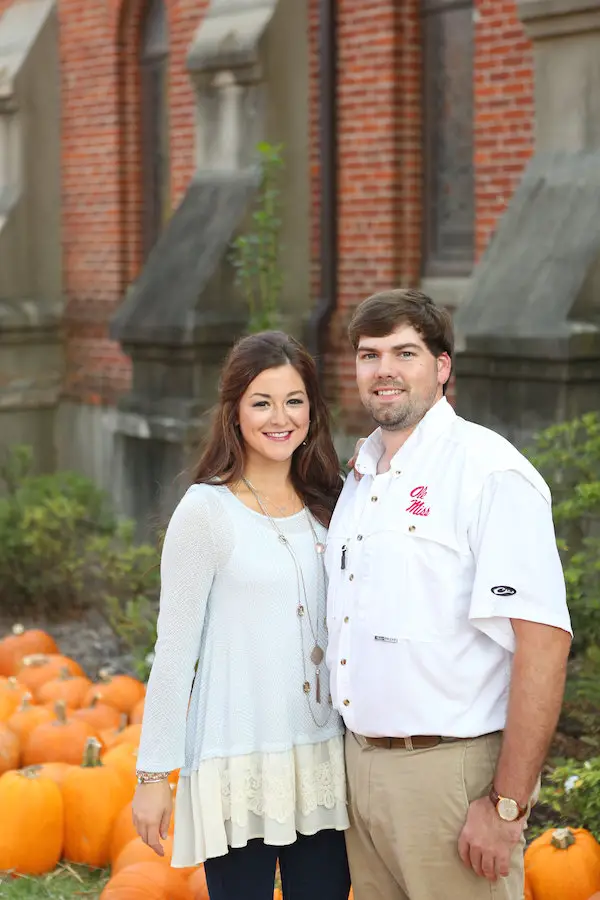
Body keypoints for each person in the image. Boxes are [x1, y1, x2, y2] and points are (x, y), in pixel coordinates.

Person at [325, 289, 572, 900]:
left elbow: (542, 643)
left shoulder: (489, 472)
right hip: (360, 772)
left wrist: (507, 806)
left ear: (442, 367)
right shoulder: (359, 477)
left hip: (450, 779)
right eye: (369, 354)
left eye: (405, 352)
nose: (384, 370)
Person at [132, 331, 351, 900]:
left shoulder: (337, 503)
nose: (281, 418)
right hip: (239, 756)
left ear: (313, 409)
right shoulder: (207, 510)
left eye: (295, 401)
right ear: (234, 412)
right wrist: (154, 776)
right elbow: (174, 651)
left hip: (324, 753)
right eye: (262, 402)